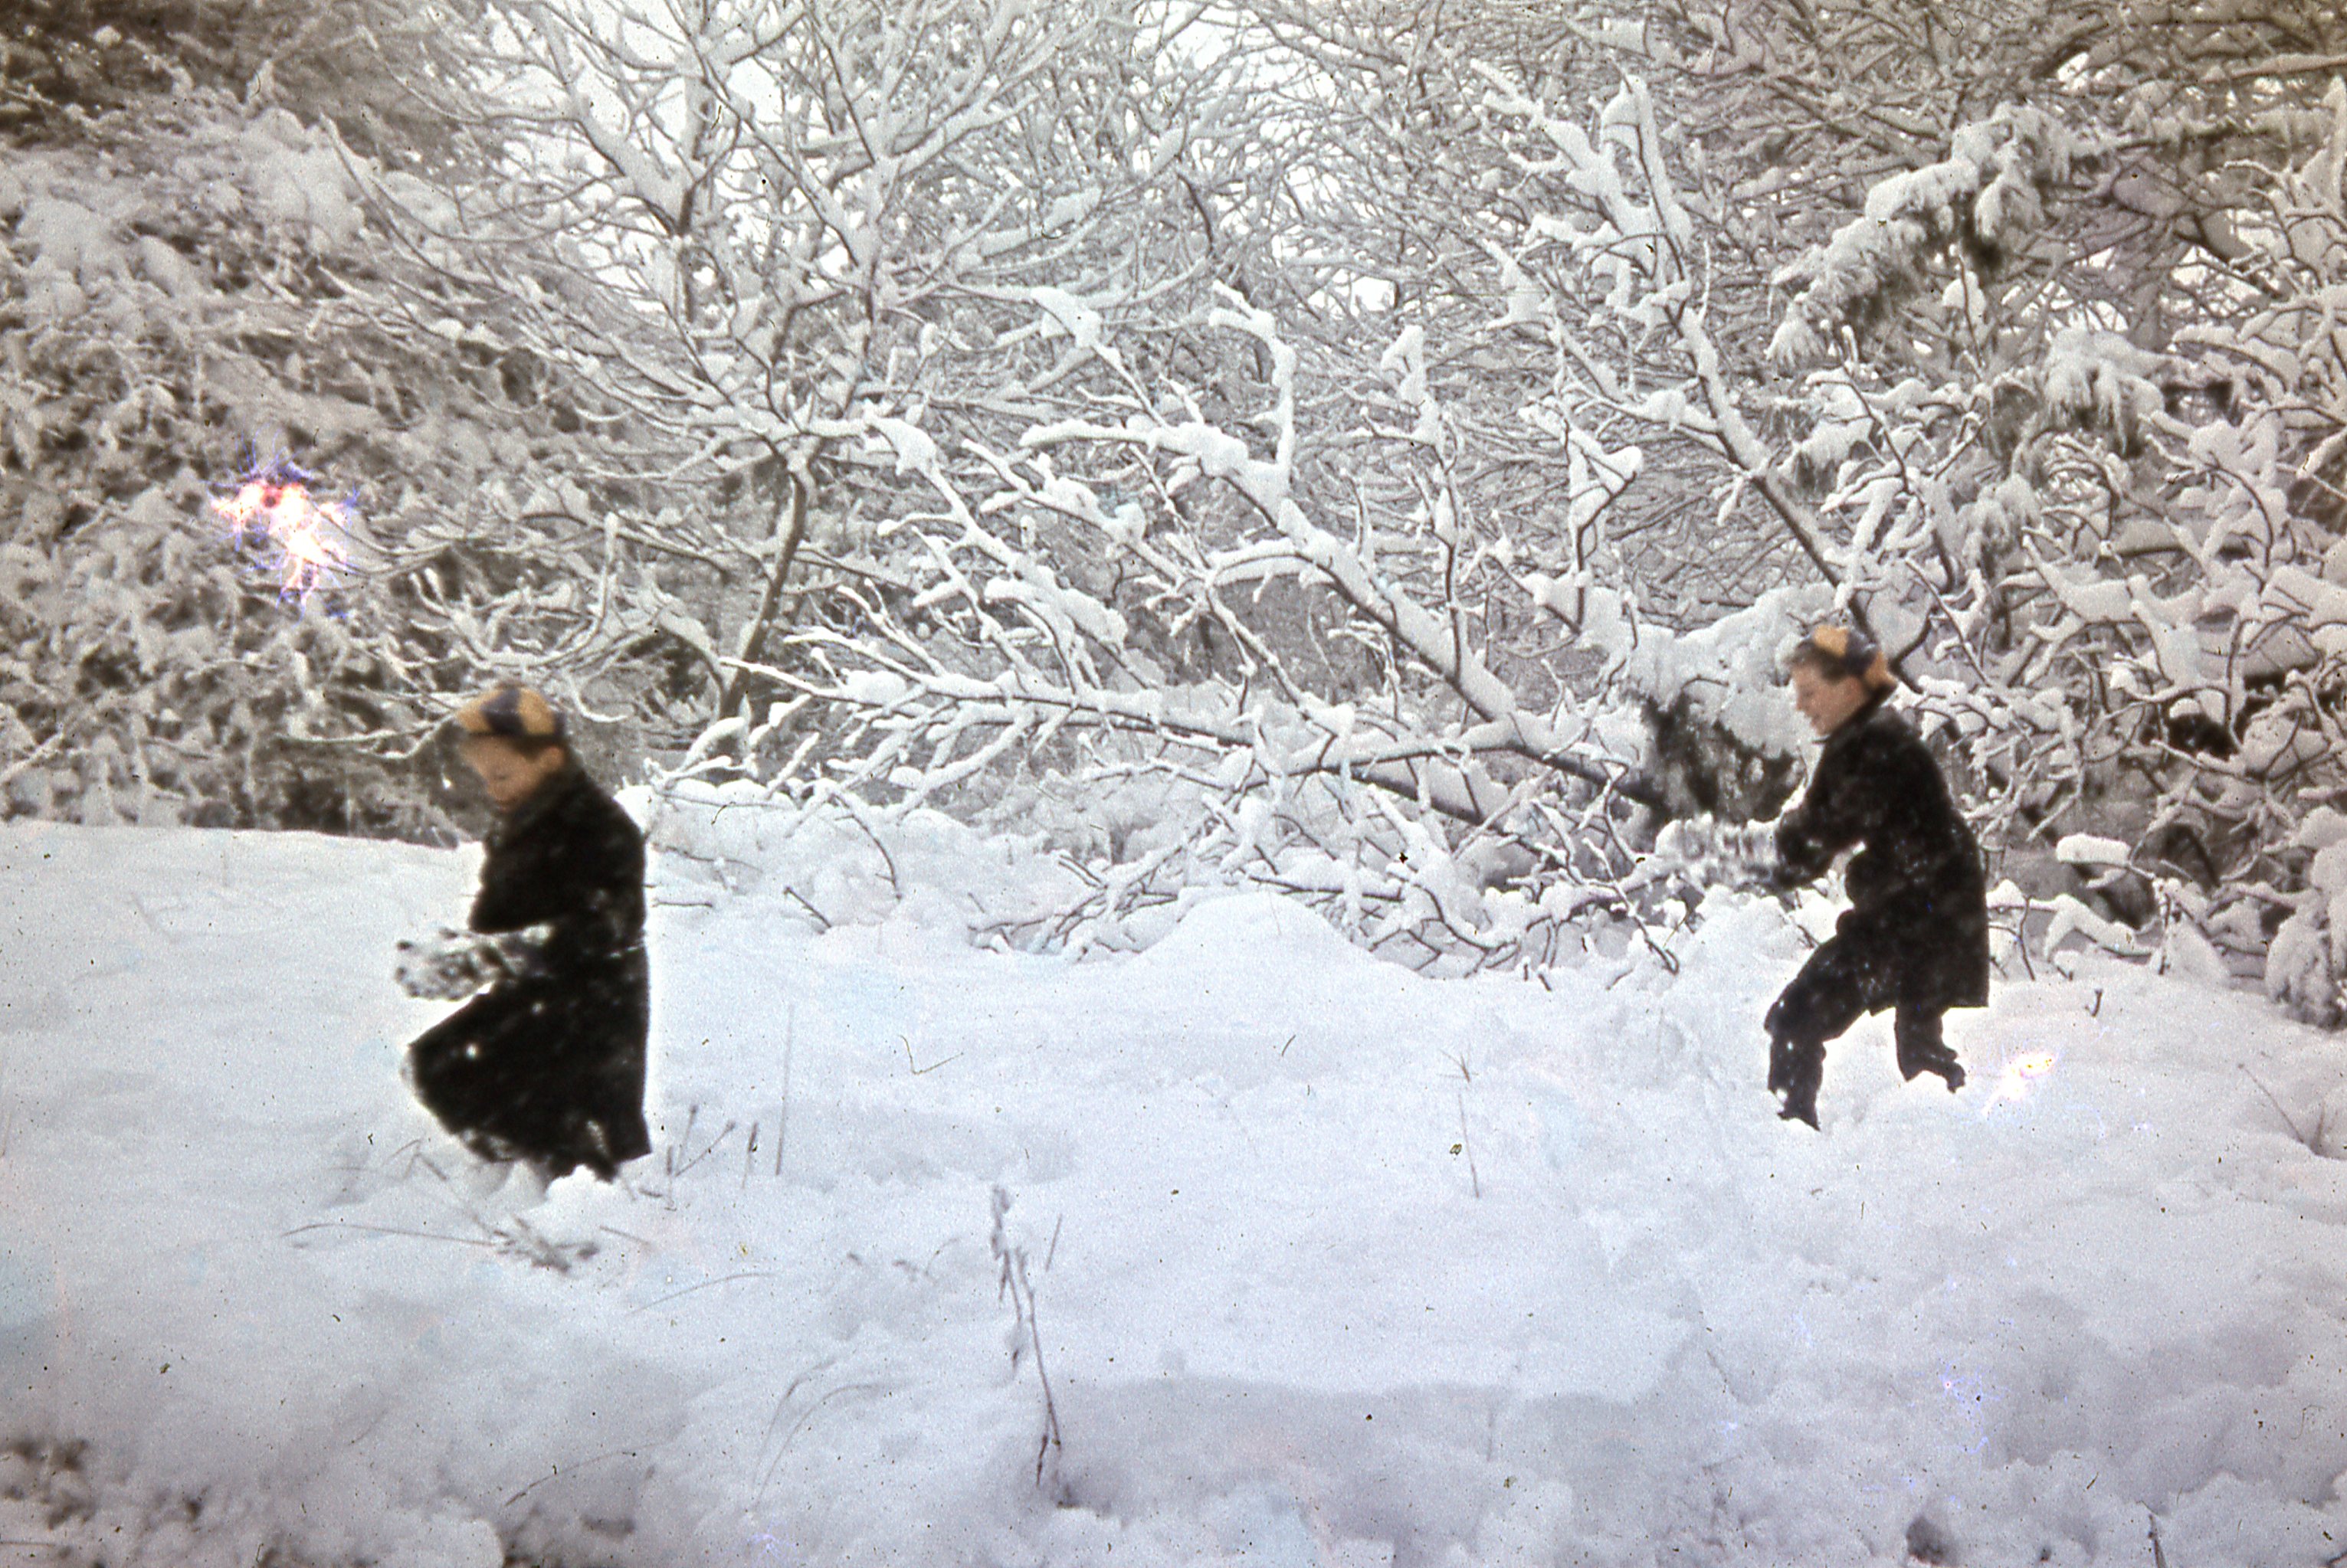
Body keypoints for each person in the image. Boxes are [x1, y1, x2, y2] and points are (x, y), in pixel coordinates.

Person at [403, 683, 653, 1182]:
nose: (492, 788)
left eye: (502, 774)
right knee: (435, 1065)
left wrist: (495, 957)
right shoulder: (518, 825)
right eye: (484, 777)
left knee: (592, 1120)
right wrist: (458, 955)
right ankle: (524, 1174)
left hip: (597, 1002)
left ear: (549, 759)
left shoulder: (601, 827)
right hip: (533, 991)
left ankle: (582, 1197)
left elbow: (600, 926)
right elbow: (496, 917)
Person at [1760, 626, 1991, 1128]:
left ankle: (1787, 1137)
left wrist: (1742, 858)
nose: (1800, 706)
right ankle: (1963, 1144)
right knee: (1919, 1051)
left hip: (1912, 922)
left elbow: (1815, 837)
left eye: (1808, 692)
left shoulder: (1866, 748)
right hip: (1938, 919)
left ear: (1846, 688)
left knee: (1796, 1017)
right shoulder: (1879, 738)